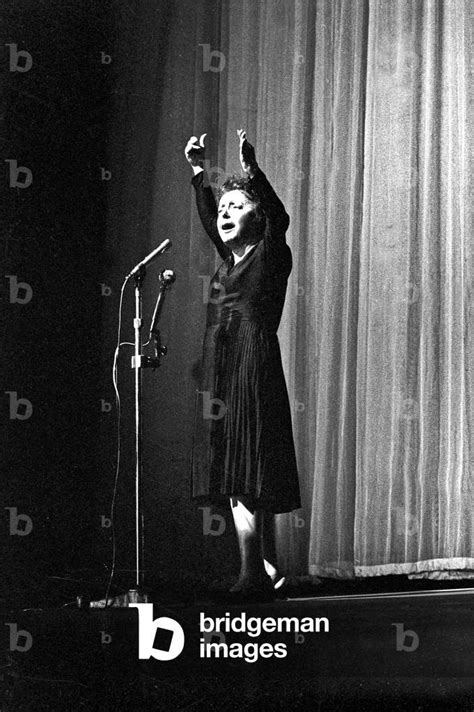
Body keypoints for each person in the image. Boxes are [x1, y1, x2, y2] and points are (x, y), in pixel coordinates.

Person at [185, 129, 301, 601]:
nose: (226, 213)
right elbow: (212, 220)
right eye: (224, 207)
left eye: (238, 205)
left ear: (258, 217)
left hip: (252, 362)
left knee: (246, 469)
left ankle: (252, 573)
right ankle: (266, 567)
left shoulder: (271, 253)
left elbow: (280, 216)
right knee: (241, 471)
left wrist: (252, 169)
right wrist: (199, 176)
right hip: (224, 364)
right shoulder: (228, 260)